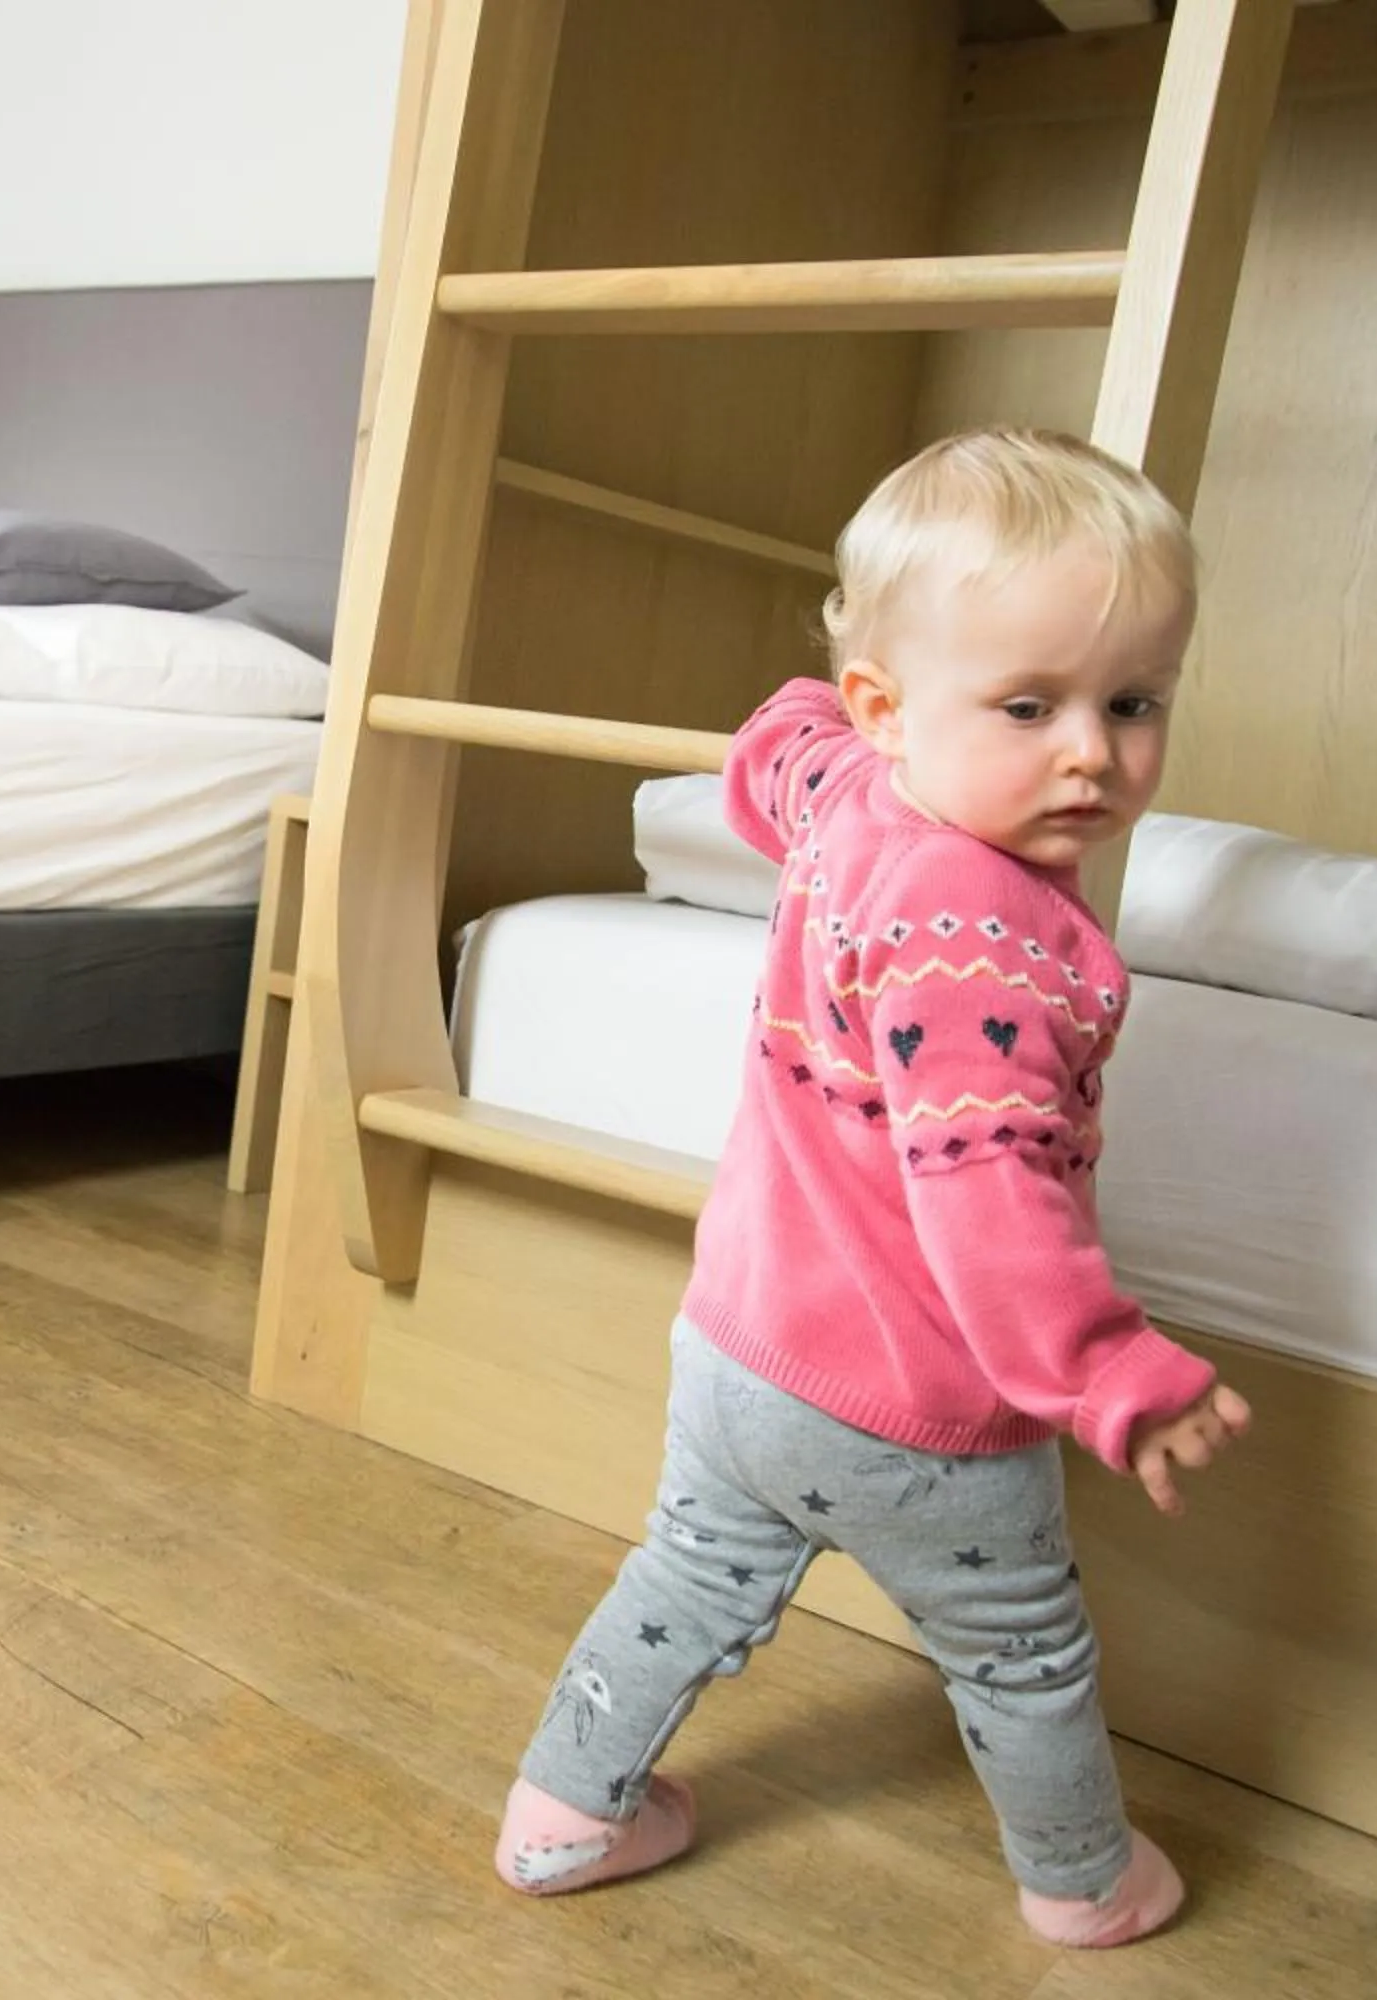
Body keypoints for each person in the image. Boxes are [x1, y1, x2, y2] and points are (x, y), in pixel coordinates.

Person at [493, 428, 1251, 1950]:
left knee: (690, 1579)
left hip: (739, 1345)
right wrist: (1113, 1373)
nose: (1091, 752)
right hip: (910, 1411)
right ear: (894, 709)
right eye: (1029, 706)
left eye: (1133, 701)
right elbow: (993, 1196)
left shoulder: (849, 794)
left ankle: (566, 1811)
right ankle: (1087, 1883)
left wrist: (831, 692)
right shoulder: (990, 952)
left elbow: (775, 741)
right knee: (1023, 1652)